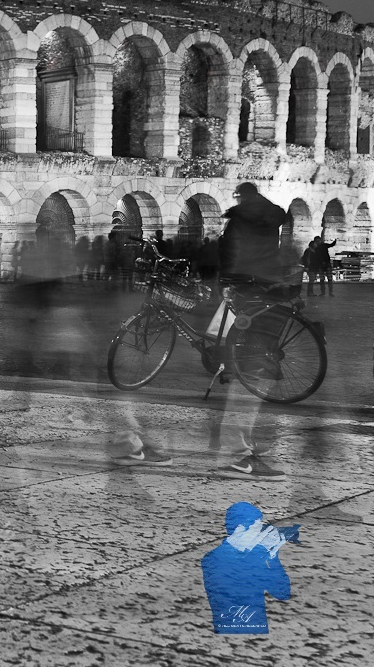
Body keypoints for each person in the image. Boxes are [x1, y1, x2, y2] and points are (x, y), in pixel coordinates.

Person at [214, 181, 288, 480]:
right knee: (256, 362)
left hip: (245, 285)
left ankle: (237, 453)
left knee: (246, 362)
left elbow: (227, 252)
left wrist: (225, 279)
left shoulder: (238, 219)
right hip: (270, 286)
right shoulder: (273, 216)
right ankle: (239, 449)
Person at [201, 502, 294, 634]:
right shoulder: (212, 559)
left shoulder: (252, 556)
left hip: (255, 632)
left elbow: (282, 593)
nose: (259, 536)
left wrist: (273, 558)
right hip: (231, 630)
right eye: (257, 530)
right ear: (240, 529)